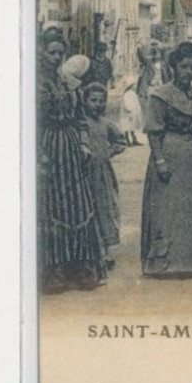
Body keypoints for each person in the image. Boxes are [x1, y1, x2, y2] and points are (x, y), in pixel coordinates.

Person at [37, 31, 107, 292]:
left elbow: (80, 116)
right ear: (41, 52)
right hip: (48, 146)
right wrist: (38, 153)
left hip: (71, 148)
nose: (55, 57)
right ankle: (54, 270)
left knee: (78, 205)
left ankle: (81, 267)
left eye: (59, 53)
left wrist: (85, 142)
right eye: (50, 52)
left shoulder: (67, 81)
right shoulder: (33, 81)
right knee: (53, 207)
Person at [140, 42, 192, 278]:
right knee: (167, 207)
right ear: (173, 68)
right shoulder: (160, 96)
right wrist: (160, 160)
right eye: (184, 66)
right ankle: (164, 262)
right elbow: (153, 131)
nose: (188, 71)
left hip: (191, 158)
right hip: (169, 155)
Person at [81, 82, 125, 268]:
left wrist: (110, 151)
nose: (97, 104)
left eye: (101, 101)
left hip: (103, 174)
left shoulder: (107, 124)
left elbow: (120, 141)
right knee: (88, 210)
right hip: (84, 174)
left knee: (105, 210)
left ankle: (106, 253)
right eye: (93, 100)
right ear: (84, 101)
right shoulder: (81, 124)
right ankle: (92, 252)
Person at [119, 75, 143, 146]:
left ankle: (134, 139)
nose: (135, 87)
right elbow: (127, 104)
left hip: (133, 113)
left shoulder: (133, 93)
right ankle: (127, 140)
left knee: (132, 127)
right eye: (134, 85)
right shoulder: (128, 94)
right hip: (128, 113)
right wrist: (129, 111)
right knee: (127, 127)